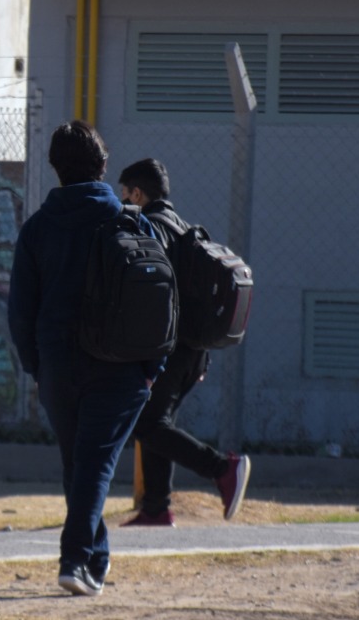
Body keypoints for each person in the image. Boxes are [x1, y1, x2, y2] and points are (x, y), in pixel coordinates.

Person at [8, 120, 157, 598]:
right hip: (121, 366)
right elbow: (160, 298)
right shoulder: (131, 220)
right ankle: (76, 560)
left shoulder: (36, 230)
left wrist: (38, 366)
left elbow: (20, 312)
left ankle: (96, 560)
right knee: (92, 466)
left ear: (55, 168)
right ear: (103, 167)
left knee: (81, 465)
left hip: (58, 365)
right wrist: (150, 370)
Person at [117, 158, 251, 527]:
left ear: (138, 194)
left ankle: (223, 469)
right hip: (191, 351)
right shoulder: (185, 228)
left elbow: (153, 288)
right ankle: (157, 509)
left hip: (169, 349)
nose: (121, 200)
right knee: (157, 423)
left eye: (124, 194)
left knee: (146, 425)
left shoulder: (153, 228)